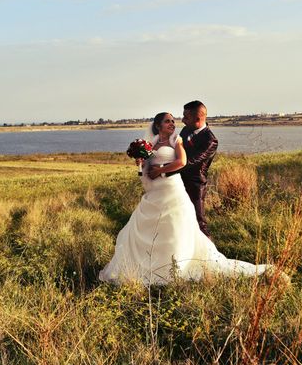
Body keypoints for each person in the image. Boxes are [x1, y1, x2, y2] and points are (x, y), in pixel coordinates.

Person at [98, 111, 276, 286]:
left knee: (175, 226)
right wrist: (140, 163)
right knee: (146, 227)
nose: (172, 124)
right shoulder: (151, 144)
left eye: (173, 121)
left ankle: (177, 266)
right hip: (156, 191)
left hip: (172, 188)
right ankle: (148, 263)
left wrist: (160, 170)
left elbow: (182, 162)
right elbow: (146, 169)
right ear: (158, 125)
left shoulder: (177, 141)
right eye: (168, 121)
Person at [167, 100, 217, 238]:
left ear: (197, 118)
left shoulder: (210, 140)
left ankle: (210, 254)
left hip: (195, 185)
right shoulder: (186, 130)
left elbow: (190, 161)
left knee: (199, 221)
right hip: (178, 180)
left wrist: (164, 170)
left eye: (186, 117)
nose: (182, 120)